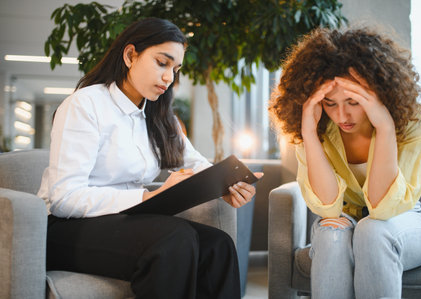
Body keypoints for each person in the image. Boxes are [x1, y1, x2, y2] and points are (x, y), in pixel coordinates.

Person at [38, 17, 262, 299]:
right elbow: (64, 197)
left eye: (175, 69)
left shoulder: (159, 116)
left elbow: (197, 164)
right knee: (173, 240)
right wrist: (145, 199)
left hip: (123, 222)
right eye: (162, 63)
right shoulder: (85, 105)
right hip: (64, 229)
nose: (169, 77)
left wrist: (227, 184)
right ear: (130, 55)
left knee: (218, 245)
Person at [269, 27, 421, 299]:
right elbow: (328, 207)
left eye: (353, 101)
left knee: (372, 230)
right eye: (329, 103)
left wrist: (383, 126)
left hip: (405, 221)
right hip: (347, 219)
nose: (342, 115)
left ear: (380, 92)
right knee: (329, 233)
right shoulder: (317, 128)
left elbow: (383, 209)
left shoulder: (416, 122)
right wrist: (309, 133)